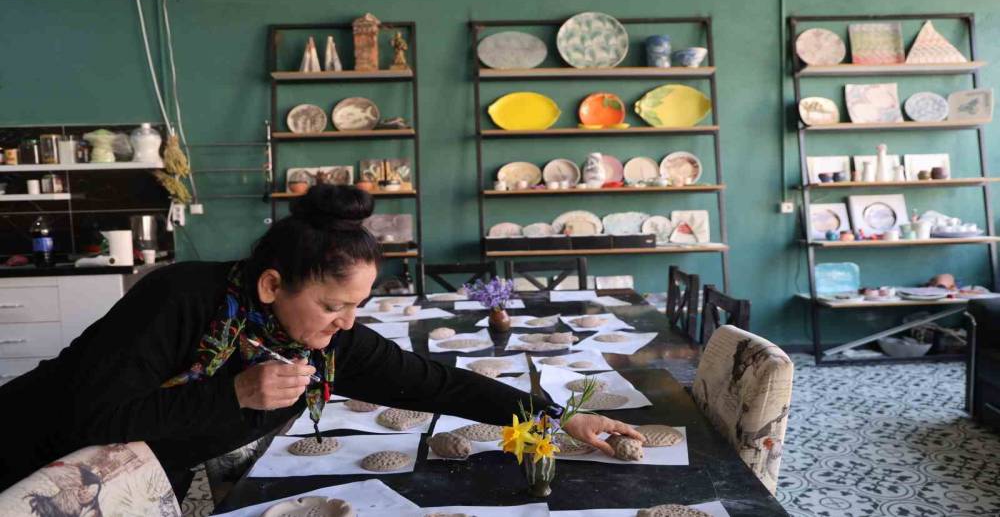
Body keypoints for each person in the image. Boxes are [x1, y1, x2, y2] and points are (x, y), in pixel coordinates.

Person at [0, 185, 642, 499]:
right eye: (334, 306)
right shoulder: (180, 299)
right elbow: (95, 414)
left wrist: (558, 417)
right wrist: (236, 394)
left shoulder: (321, 342)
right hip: (24, 454)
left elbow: (434, 383)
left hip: (124, 483)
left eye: (357, 306)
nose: (347, 324)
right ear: (272, 284)